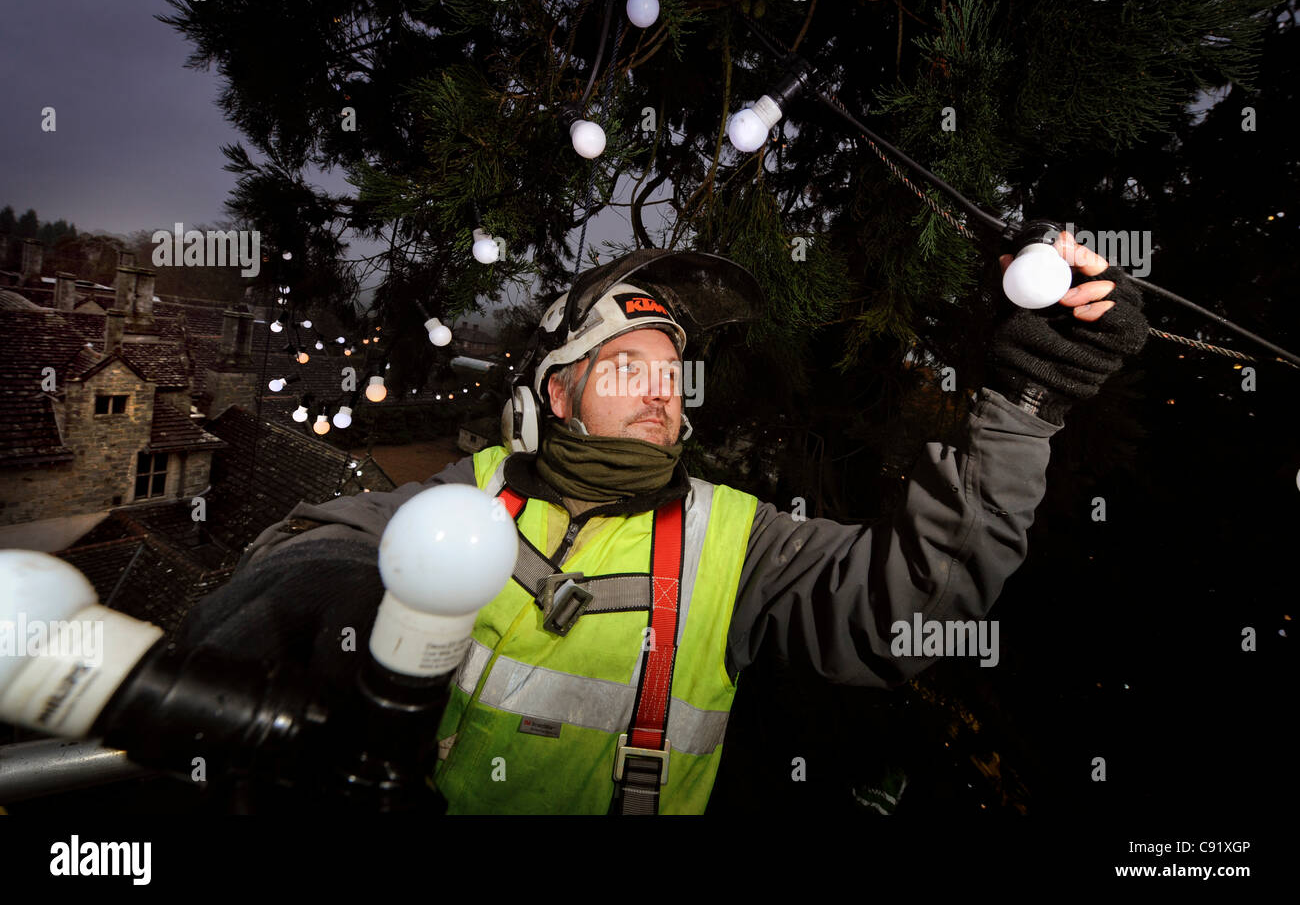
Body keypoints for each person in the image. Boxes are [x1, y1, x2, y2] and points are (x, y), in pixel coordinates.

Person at [194, 236, 1147, 814]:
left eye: (672, 368)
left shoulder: (740, 542)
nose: (663, 387)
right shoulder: (474, 490)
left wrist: (1021, 403)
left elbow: (916, 603)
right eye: (626, 366)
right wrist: (312, 593)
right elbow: (332, 534)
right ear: (556, 395)